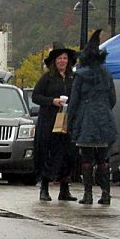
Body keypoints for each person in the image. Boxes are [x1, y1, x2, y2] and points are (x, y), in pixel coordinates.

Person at [67, 29, 118, 205]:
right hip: (104, 119)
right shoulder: (107, 74)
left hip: (86, 120)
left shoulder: (80, 76)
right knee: (103, 158)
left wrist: (70, 122)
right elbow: (113, 98)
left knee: (87, 158)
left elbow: (74, 102)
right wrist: (104, 108)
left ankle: (88, 194)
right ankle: (105, 194)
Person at [31, 45, 78, 202]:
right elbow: (36, 96)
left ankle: (65, 189)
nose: (62, 61)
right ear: (54, 61)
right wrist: (52, 101)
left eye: (65, 58)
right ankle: (44, 188)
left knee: (68, 154)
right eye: (59, 58)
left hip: (68, 121)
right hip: (49, 122)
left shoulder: (73, 78)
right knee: (49, 154)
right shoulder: (47, 78)